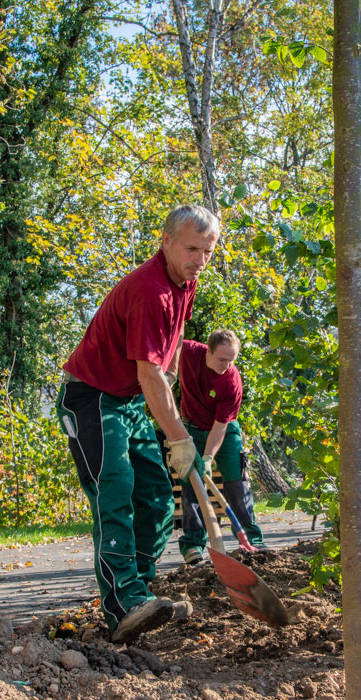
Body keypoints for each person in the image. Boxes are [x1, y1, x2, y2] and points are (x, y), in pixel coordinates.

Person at [57, 205, 219, 643]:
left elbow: (166, 359)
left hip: (128, 401)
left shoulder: (185, 282)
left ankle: (141, 595)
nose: (200, 258)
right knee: (116, 493)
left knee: (156, 498)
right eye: (191, 248)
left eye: (208, 250)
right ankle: (122, 603)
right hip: (91, 399)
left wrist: (170, 414)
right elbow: (149, 372)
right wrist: (180, 436)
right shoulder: (150, 291)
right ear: (165, 240)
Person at [174, 329, 266, 564]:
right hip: (191, 428)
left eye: (232, 360)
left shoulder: (231, 381)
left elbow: (220, 426)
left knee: (237, 482)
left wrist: (207, 457)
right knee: (191, 482)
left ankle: (252, 540)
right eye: (222, 359)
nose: (227, 365)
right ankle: (193, 544)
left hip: (223, 430)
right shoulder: (189, 352)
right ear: (208, 350)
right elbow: (167, 346)